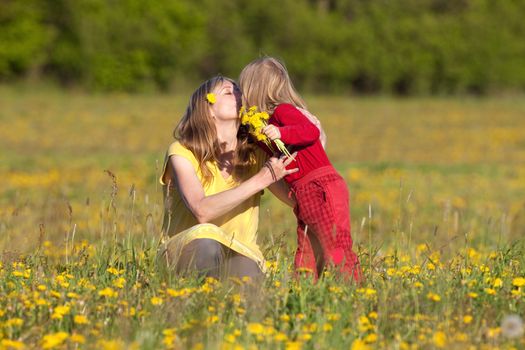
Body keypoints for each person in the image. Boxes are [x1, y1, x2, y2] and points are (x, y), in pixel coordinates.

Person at [157, 76, 297, 281]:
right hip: (184, 250)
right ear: (207, 109)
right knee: (207, 241)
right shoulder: (182, 152)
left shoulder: (257, 154)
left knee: (249, 275)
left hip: (241, 252)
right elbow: (202, 211)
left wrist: (313, 141)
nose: (240, 96)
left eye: (239, 91)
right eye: (228, 92)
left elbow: (296, 201)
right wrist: (261, 179)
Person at [239, 57, 361, 282]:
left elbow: (311, 131)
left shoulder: (283, 112)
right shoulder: (262, 125)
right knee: (307, 250)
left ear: (255, 89)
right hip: (305, 192)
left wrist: (281, 133)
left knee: (335, 245)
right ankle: (303, 294)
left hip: (320, 186)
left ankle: (354, 289)